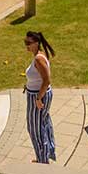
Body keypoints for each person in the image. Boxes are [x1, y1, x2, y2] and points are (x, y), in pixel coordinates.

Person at [23, 30, 56, 163]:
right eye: (25, 42)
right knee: (43, 123)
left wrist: (38, 98)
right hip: (37, 94)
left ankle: (42, 160)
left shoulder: (38, 58)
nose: (26, 45)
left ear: (36, 43)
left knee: (35, 128)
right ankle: (45, 155)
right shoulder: (40, 55)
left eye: (28, 43)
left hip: (37, 97)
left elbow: (47, 80)